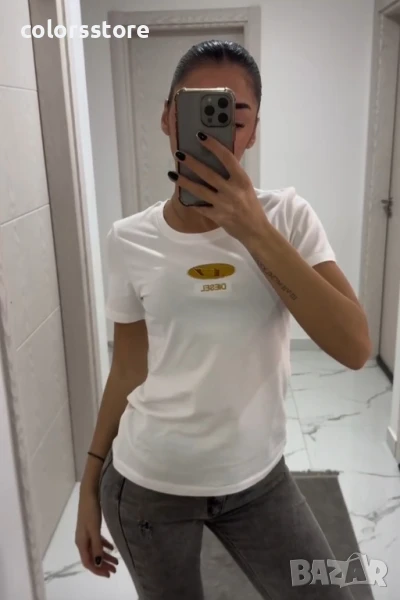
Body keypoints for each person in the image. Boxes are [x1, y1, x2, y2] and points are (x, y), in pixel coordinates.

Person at [75, 40, 371, 599]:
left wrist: (253, 229)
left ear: (253, 132)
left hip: (258, 480)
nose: (216, 133)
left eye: (234, 119)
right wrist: (89, 486)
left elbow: (354, 347)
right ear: (168, 119)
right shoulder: (129, 240)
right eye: (197, 112)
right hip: (149, 485)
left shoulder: (287, 217)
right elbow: (128, 370)